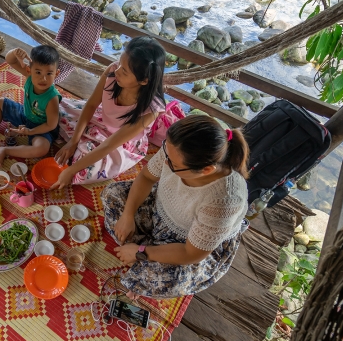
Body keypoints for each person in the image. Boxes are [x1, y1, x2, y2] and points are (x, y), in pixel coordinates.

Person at [101, 115, 249, 299]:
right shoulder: (177, 149)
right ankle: (144, 255)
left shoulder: (224, 201)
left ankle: (142, 253)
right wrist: (128, 216)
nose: (165, 163)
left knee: (167, 279)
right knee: (112, 194)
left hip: (189, 242)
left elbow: (191, 253)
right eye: (166, 153)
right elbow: (147, 177)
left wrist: (141, 253)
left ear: (207, 170)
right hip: (162, 208)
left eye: (174, 164)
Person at [51, 36, 166, 188]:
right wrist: (73, 142)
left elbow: (108, 146)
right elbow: (91, 104)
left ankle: (82, 149)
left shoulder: (151, 109)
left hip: (118, 143)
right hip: (100, 118)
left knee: (83, 171)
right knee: (52, 111)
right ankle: (78, 140)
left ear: (144, 80)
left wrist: (71, 170)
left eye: (124, 72)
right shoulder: (113, 71)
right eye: (119, 64)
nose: (116, 71)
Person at [0, 45, 62, 166]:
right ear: (29, 70)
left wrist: (31, 132)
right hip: (25, 114)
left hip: (42, 128)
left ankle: (6, 150)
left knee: (42, 149)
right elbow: (10, 59)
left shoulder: (52, 98)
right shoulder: (29, 77)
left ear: (56, 74)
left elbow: (50, 125)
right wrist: (15, 52)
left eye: (49, 73)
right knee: (1, 102)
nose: (43, 78)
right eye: (38, 72)